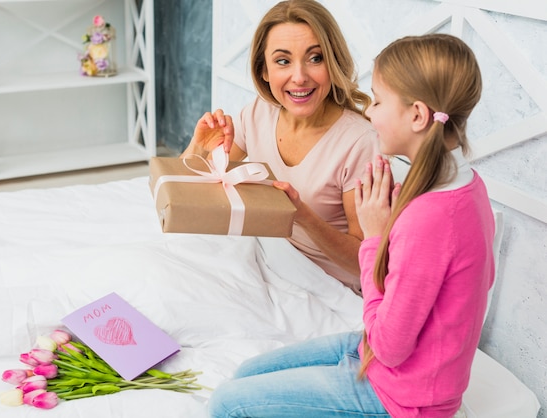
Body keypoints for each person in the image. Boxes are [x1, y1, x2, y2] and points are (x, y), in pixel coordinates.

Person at [208, 33, 495, 418]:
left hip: (403, 397)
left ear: (417, 115)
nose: (370, 112)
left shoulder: (434, 214)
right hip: (376, 354)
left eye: (377, 100)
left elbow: (391, 345)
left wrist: (376, 237)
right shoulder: (463, 185)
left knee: (228, 405)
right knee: (243, 374)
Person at [181, 0, 377, 294]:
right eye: (283, 61)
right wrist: (199, 146)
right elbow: (187, 194)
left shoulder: (359, 142)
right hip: (270, 261)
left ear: (333, 63)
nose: (299, 77)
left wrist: (303, 216)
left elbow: (366, 264)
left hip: (327, 286)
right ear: (264, 71)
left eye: (315, 58)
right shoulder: (260, 112)